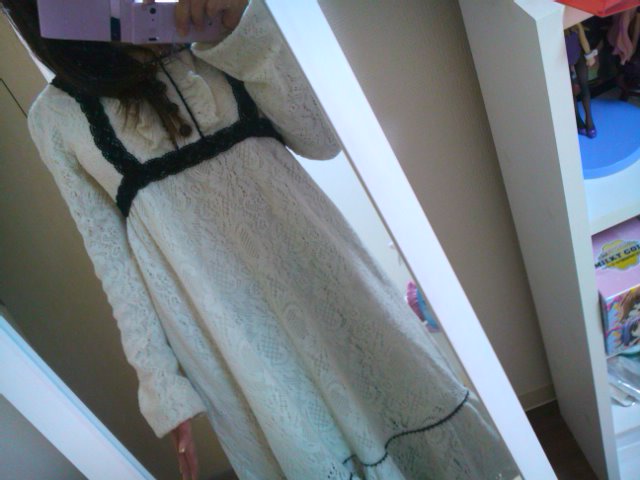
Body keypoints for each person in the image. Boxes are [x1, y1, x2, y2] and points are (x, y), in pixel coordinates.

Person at [4, 0, 520, 478]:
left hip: (329, 281)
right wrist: (162, 386)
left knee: (410, 405)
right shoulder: (55, 119)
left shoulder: (211, 30)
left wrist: (239, 30)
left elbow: (322, 139)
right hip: (229, 333)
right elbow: (112, 260)